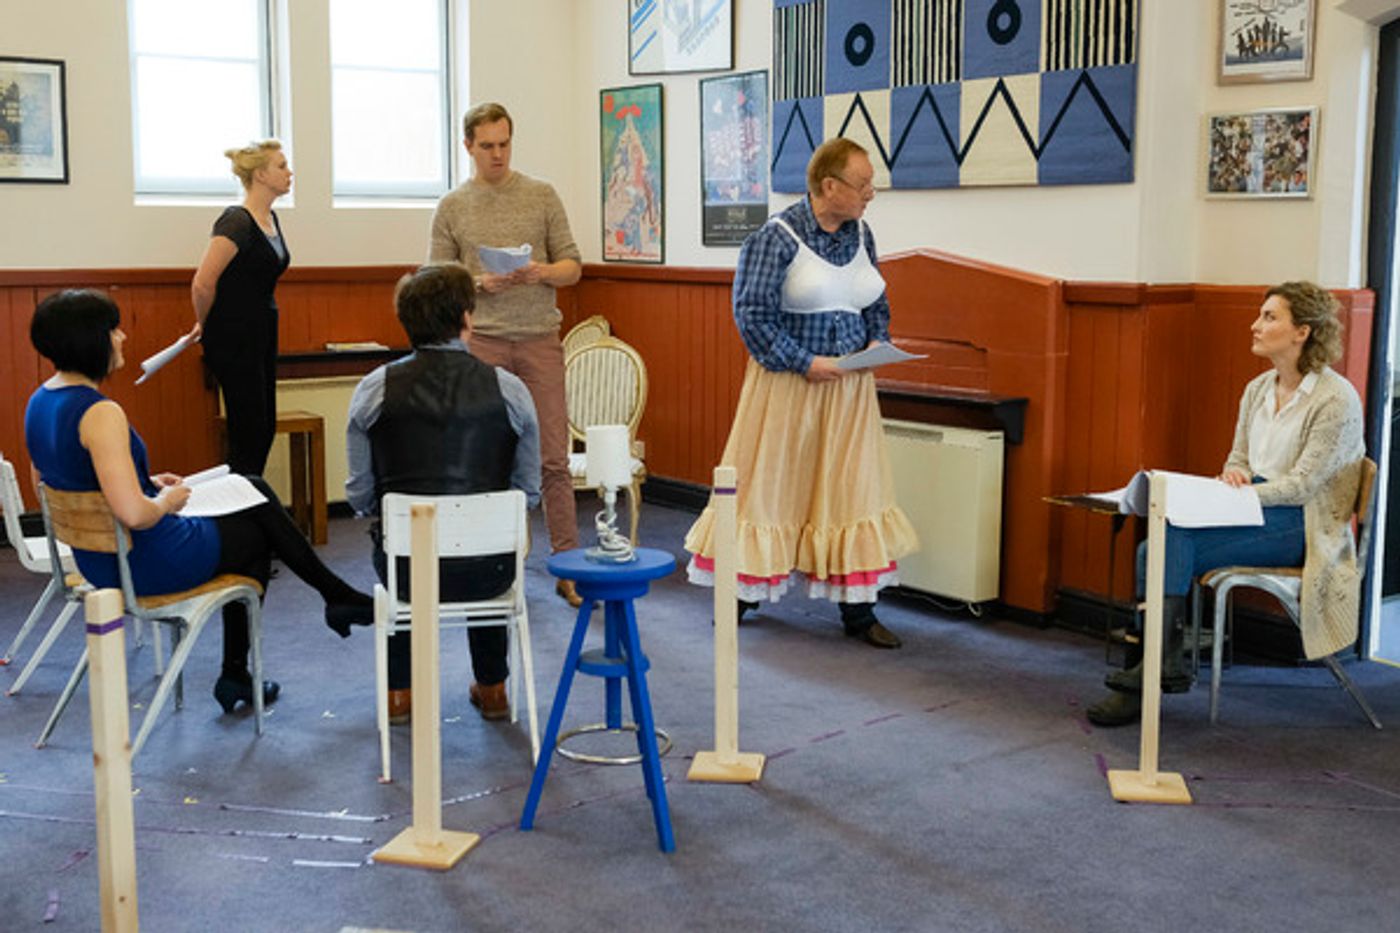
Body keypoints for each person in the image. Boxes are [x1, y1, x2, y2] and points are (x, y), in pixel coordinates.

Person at [24, 289, 373, 714]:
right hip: (142, 561)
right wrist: (166, 501)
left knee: (250, 488)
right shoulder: (100, 413)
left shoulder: (39, 401)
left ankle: (326, 605)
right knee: (256, 531)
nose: (122, 337)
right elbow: (135, 513)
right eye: (113, 330)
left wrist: (143, 481)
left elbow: (50, 481)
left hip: (96, 560)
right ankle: (252, 660)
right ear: (89, 340)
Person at [1088, 281, 1367, 726]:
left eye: (1270, 317)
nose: (1255, 325)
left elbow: (1303, 487)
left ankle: (1148, 676)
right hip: (1255, 505)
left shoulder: (1336, 399)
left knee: (1165, 541)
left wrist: (1240, 493)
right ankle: (1158, 666)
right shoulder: (1258, 388)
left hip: (1305, 523)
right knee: (1154, 544)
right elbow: (1238, 457)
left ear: (1303, 332)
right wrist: (1234, 476)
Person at [683, 138, 919, 648]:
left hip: (850, 391)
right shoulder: (776, 237)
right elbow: (752, 316)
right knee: (768, 490)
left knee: (853, 492)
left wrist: (877, 342)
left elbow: (875, 302)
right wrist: (805, 362)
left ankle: (860, 612)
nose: (871, 193)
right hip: (788, 388)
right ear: (829, 186)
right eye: (863, 184)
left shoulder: (862, 235)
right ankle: (741, 594)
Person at [345, 264, 542, 725]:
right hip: (489, 569)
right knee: (488, 542)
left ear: (406, 321)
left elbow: (359, 494)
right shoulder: (511, 390)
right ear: (466, 319)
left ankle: (399, 694)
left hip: (407, 569)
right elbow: (528, 491)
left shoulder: (373, 389)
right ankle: (493, 689)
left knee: (399, 557)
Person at [427, 102, 584, 608]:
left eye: (505, 144)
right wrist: (478, 282)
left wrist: (541, 272)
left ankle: (567, 564)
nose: (498, 154)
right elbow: (435, 277)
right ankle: (487, 563)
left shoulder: (541, 195)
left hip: (538, 338)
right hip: (483, 342)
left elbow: (573, 267)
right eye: (488, 146)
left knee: (553, 457)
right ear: (468, 147)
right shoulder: (453, 205)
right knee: (485, 456)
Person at [189, 140, 293, 476]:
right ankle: (240, 499)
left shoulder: (271, 218)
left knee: (263, 426)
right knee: (248, 428)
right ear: (260, 174)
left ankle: (247, 493)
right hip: (234, 334)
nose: (289, 173)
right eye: (281, 166)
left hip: (262, 330)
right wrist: (203, 324)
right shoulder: (236, 221)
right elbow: (203, 283)